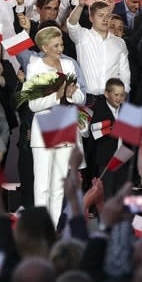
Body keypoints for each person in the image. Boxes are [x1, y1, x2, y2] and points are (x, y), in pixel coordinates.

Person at [26, 26, 86, 226]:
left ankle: (52, 228)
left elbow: (80, 96)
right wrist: (57, 95)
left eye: (61, 44)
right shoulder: (35, 66)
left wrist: (70, 93)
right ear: (44, 47)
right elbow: (33, 104)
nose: (61, 48)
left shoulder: (69, 65)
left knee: (59, 185)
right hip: (45, 125)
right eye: (56, 46)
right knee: (42, 184)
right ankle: (41, 229)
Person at [67, 0, 130, 100]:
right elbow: (71, 24)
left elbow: (125, 73)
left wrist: (124, 93)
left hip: (111, 99)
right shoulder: (82, 36)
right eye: (100, 15)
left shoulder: (119, 42)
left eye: (108, 16)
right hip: (86, 98)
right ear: (91, 18)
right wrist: (80, 5)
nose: (105, 19)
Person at [90, 78, 127, 200]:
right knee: (106, 195)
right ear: (106, 94)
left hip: (122, 159)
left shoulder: (125, 110)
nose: (119, 98)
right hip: (105, 160)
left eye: (122, 95)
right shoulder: (99, 109)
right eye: (116, 94)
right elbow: (95, 133)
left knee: (120, 194)